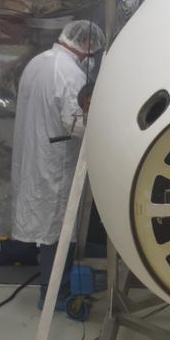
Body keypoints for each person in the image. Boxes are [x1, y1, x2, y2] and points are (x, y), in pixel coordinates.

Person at [11, 19, 105, 309]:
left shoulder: (38, 62)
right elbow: (75, 122)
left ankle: (55, 286)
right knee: (58, 229)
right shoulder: (69, 74)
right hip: (56, 161)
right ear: (86, 46)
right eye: (93, 53)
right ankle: (54, 295)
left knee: (51, 227)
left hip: (38, 153)